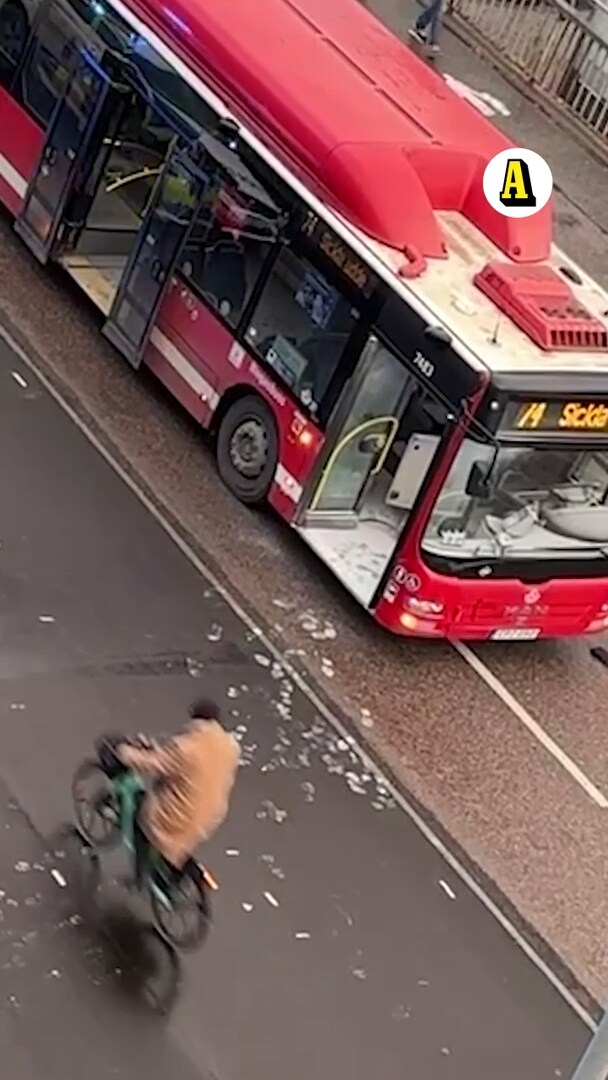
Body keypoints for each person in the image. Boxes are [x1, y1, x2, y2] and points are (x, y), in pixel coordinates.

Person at [117, 698, 240, 889]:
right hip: (211, 813)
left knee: (142, 824)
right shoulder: (231, 747)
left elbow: (156, 764)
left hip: (179, 813)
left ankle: (138, 880)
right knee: (181, 838)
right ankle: (172, 868)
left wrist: (126, 754)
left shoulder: (186, 748)